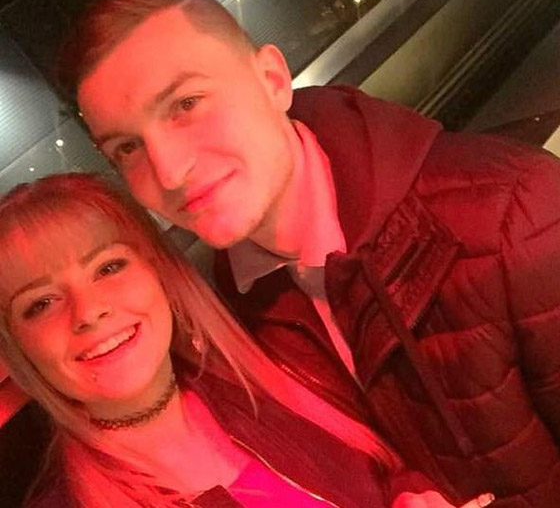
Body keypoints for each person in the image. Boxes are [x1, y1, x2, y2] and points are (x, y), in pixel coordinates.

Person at [56, 0, 560, 507]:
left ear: (273, 81)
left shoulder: (516, 212)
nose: (169, 171)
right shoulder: (237, 305)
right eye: (128, 148)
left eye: (186, 104)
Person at [0, 173, 496, 508]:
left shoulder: (265, 378)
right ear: (19, 349)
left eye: (108, 267)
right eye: (40, 304)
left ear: (160, 273)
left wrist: (411, 495)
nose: (89, 311)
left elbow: (385, 472)